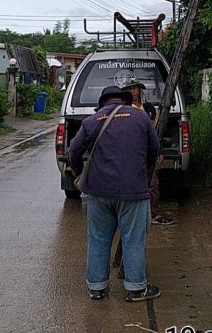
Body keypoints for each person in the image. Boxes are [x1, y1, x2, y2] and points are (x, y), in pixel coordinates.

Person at [69, 85, 161, 302]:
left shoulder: (92, 121)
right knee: (133, 238)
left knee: (98, 238)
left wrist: (77, 170)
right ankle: (136, 289)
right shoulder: (140, 118)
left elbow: (74, 149)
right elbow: (154, 149)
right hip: (133, 191)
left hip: (98, 191)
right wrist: (143, 175)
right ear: (125, 100)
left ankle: (97, 288)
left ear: (103, 102)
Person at [123, 80, 174, 226]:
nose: (133, 91)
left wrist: (159, 150)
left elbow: (154, 132)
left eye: (135, 89)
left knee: (152, 183)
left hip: (147, 151)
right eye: (129, 89)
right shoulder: (124, 109)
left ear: (140, 90)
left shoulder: (149, 108)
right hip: (130, 151)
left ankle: (154, 213)